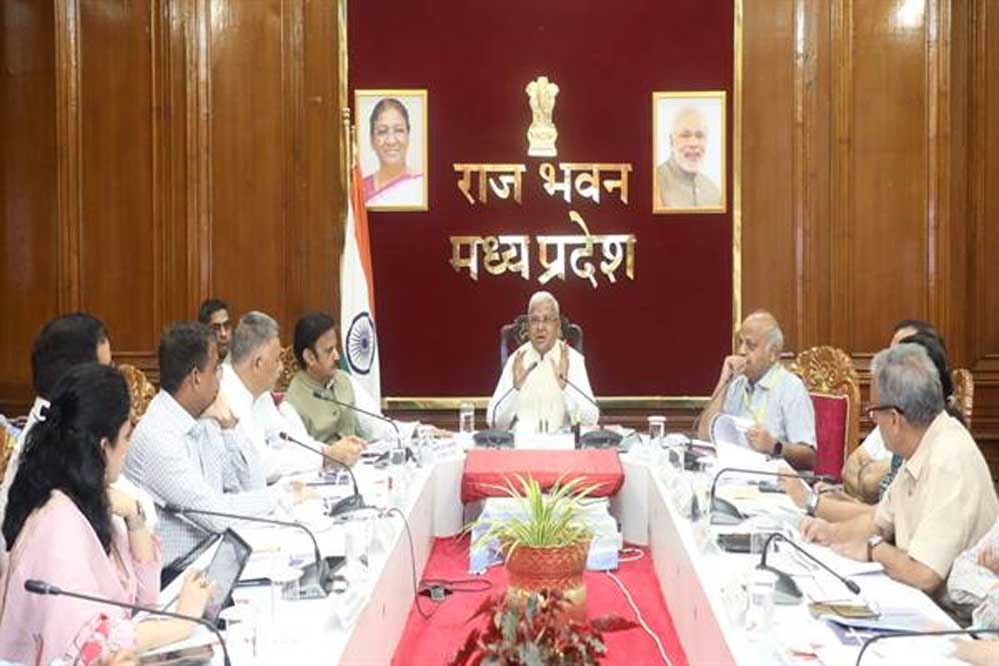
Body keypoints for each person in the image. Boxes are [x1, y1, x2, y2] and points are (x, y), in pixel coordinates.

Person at [0, 364, 212, 665]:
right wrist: (181, 624)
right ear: (103, 447)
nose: (128, 447)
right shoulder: (57, 523)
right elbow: (92, 646)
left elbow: (144, 603)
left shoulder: (90, 499)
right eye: (126, 436)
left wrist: (135, 516)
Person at [800, 344, 999, 598]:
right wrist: (830, 533)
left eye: (873, 412)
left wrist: (875, 550)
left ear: (894, 419)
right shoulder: (922, 443)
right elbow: (879, 522)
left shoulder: (949, 458)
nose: (874, 421)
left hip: (955, 615)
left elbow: (925, 575)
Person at [126, 321, 303, 563]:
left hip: (213, 555)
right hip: (177, 573)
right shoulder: (157, 436)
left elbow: (253, 487)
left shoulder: (204, 419)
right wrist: (282, 494)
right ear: (196, 377)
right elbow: (216, 515)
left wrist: (230, 425)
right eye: (216, 368)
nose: (221, 377)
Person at [0, 314, 155, 567]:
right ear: (81, 380)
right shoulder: (58, 449)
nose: (111, 378)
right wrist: (135, 513)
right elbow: (140, 524)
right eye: (105, 370)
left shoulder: (68, 432)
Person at [780, 329, 962, 523]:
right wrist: (840, 503)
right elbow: (884, 516)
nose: (874, 420)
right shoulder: (916, 437)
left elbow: (893, 529)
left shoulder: (940, 451)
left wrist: (811, 502)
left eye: (875, 411)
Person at [220, 311, 365, 479]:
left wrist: (328, 452)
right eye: (277, 360)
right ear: (258, 363)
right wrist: (325, 458)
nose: (281, 368)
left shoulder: (260, 395)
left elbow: (287, 439)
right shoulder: (226, 396)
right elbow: (260, 466)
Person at [696, 311, 817, 470]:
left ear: (773, 353)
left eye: (750, 345)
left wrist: (774, 446)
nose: (741, 351)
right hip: (733, 472)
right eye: (740, 342)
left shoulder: (791, 388)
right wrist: (724, 379)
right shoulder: (736, 384)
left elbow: (810, 457)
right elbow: (704, 436)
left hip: (772, 478)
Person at [284, 313, 402, 463]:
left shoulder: (344, 379)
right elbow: (301, 453)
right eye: (329, 351)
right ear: (309, 357)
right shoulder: (290, 403)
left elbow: (377, 425)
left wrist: (416, 431)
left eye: (336, 348)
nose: (337, 356)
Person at [487, 292, 598, 433]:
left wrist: (566, 387)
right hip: (523, 443)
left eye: (547, 320)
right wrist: (515, 389)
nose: (540, 327)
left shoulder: (572, 360)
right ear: (527, 326)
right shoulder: (516, 360)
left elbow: (591, 419)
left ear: (557, 325)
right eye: (534, 320)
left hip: (561, 443)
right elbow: (494, 421)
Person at [655, 106, 722, 209]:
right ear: (671, 141)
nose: (694, 143)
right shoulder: (654, 183)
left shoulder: (714, 193)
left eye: (699, 136)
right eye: (685, 135)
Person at [363, 98, 424, 206]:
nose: (391, 141)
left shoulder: (421, 185)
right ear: (372, 140)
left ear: (408, 136)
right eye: (382, 132)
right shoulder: (360, 190)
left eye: (399, 130)